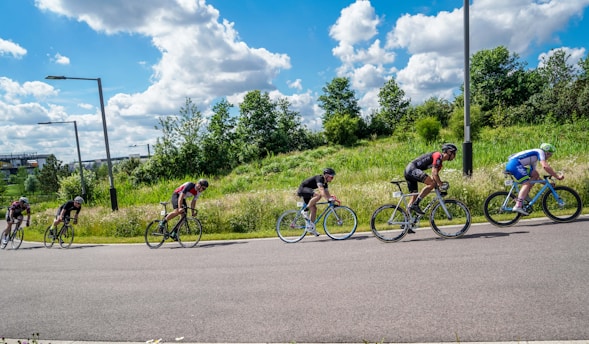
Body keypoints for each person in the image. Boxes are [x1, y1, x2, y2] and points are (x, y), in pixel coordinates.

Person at [505, 143, 563, 216]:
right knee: (526, 183)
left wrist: (547, 184)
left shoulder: (534, 159)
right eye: (549, 154)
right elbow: (545, 166)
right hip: (514, 164)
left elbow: (536, 177)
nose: (549, 156)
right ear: (545, 152)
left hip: (514, 164)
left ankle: (524, 195)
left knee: (535, 174)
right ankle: (518, 205)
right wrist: (557, 176)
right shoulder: (540, 152)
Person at [404, 143, 458, 218]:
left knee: (414, 196)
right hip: (412, 169)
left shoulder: (440, 164)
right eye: (454, 153)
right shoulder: (438, 155)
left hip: (410, 170)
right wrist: (441, 185)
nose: (455, 155)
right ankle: (416, 204)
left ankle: (406, 223)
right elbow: (434, 173)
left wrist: (439, 190)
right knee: (431, 184)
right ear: (449, 152)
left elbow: (434, 178)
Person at [297, 168, 336, 236]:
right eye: (331, 177)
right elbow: (321, 190)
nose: (332, 179)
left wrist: (330, 198)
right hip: (303, 189)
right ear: (326, 175)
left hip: (308, 192)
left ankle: (311, 228)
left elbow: (326, 192)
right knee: (318, 195)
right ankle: (305, 210)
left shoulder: (325, 183)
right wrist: (328, 199)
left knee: (314, 209)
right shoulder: (319, 178)